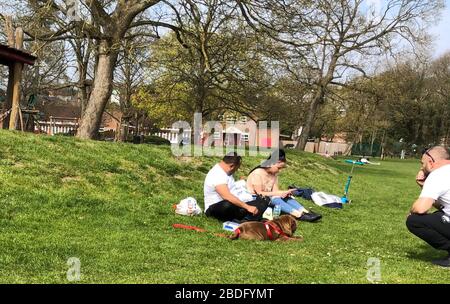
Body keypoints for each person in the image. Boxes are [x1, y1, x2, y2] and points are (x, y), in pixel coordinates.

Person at [246, 149, 322, 222]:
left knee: (283, 196)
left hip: (267, 197)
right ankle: (298, 215)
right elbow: (260, 193)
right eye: (279, 168)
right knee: (275, 198)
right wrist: (279, 193)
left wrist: (284, 193)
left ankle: (305, 211)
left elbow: (275, 191)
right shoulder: (258, 173)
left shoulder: (274, 174)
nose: (279, 170)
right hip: (256, 198)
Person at [406, 146, 450, 267]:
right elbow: (444, 206)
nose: (421, 167)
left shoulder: (438, 175)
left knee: (414, 221)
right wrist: (423, 186)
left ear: (430, 163)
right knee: (438, 215)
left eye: (422, 164)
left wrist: (411, 212)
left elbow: (421, 208)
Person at [204, 152, 269, 222]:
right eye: (236, 169)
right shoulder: (217, 174)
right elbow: (227, 196)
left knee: (264, 200)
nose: (236, 171)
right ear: (232, 166)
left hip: (234, 205)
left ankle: (246, 217)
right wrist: (247, 207)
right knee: (227, 205)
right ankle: (247, 217)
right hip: (218, 207)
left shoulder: (226, 172)